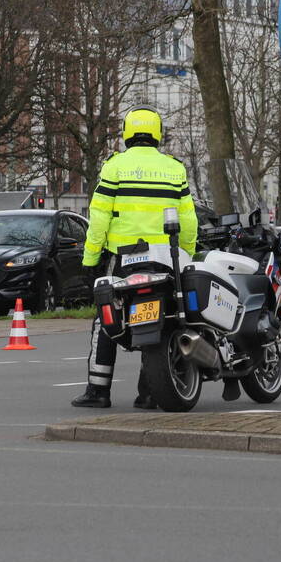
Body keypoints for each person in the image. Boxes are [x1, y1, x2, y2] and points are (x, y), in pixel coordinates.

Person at [71, 106, 198, 409]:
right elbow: (189, 220)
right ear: (157, 133)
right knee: (165, 317)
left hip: (125, 259)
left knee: (106, 318)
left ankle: (98, 391)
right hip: (167, 260)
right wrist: (187, 253)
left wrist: (90, 261)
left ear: (127, 133)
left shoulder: (114, 167)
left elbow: (99, 219)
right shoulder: (174, 169)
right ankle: (151, 391)